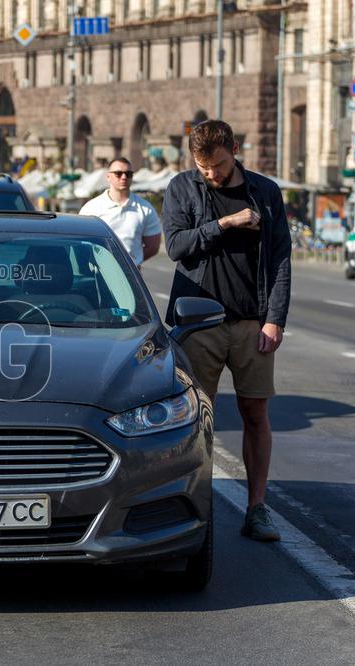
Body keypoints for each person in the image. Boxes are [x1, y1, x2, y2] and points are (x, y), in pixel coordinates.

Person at [161, 119, 291, 541]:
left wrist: (275, 319)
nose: (211, 174)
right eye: (203, 168)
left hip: (252, 320)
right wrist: (226, 224)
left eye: (217, 164)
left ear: (234, 148)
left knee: (255, 414)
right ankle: (196, 508)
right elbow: (177, 246)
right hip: (199, 322)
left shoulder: (265, 192)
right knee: (197, 420)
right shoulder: (182, 188)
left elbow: (281, 260)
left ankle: (257, 509)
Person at [79, 157, 162, 266]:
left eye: (128, 174)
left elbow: (153, 247)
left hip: (130, 274)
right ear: (108, 177)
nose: (124, 177)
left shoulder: (145, 208)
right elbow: (81, 243)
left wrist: (132, 262)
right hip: (99, 272)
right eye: (118, 173)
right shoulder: (92, 208)